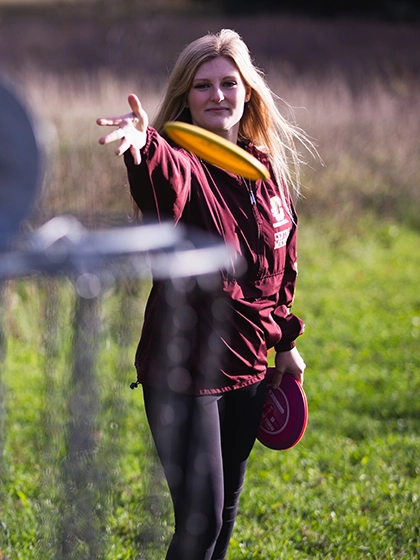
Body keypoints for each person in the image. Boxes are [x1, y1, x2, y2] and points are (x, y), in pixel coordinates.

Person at [97, 28, 311, 560]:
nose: (217, 94)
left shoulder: (264, 169)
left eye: (228, 83)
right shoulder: (180, 159)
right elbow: (163, 182)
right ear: (186, 98)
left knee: (222, 524)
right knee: (200, 522)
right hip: (185, 369)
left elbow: (278, 272)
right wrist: (144, 146)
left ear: (247, 92)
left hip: (249, 366)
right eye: (202, 86)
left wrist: (284, 342)